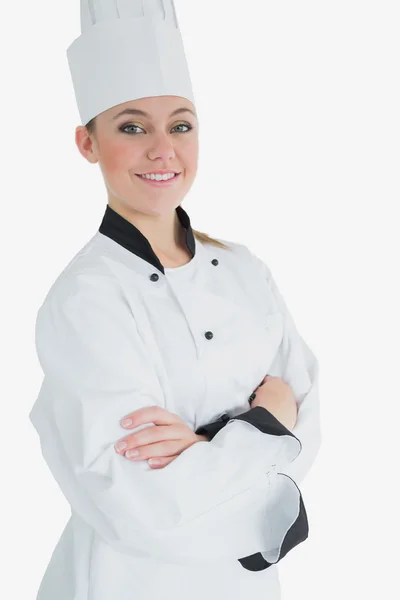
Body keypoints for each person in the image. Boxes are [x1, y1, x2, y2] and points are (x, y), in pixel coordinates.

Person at [29, 2, 322, 599]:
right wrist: (267, 425)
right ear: (87, 142)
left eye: (180, 125)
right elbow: (138, 507)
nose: (163, 150)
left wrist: (204, 452)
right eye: (132, 127)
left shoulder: (245, 270)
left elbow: (311, 435)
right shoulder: (85, 301)